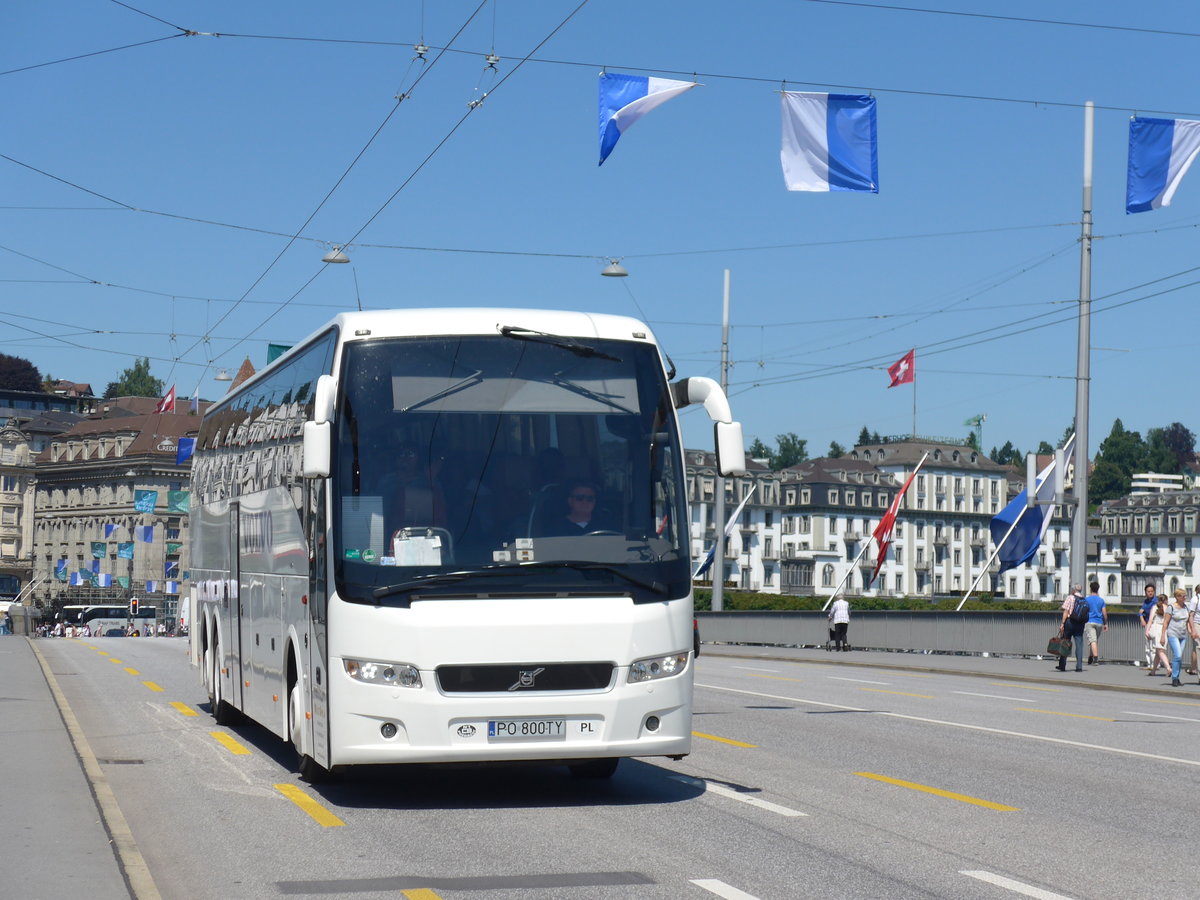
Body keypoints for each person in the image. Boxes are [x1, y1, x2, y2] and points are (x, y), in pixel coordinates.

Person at [539, 479, 613, 536]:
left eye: (589, 498)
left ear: (594, 502)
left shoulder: (606, 526)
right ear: (570, 501)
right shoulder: (555, 528)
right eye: (579, 498)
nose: (585, 502)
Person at [1161, 589, 1190, 687]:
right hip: (1173, 634)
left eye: (1185, 596)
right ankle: (1174, 678)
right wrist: (1162, 636)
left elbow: (1188, 622)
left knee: (1179, 657)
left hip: (1183, 635)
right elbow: (1165, 622)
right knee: (1177, 655)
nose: (1184, 597)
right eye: (1182, 596)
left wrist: (1192, 632)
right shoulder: (1171, 607)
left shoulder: (1186, 607)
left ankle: (1177, 678)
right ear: (1177, 597)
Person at [1056, 587, 1085, 672]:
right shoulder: (1084, 599)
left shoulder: (1070, 597)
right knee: (1079, 644)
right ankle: (1079, 666)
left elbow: (1066, 611)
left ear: (1074, 590)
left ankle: (1062, 665)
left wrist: (1062, 623)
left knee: (1065, 642)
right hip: (1080, 624)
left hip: (1069, 622)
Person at [1145, 596, 1171, 676]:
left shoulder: (1155, 607)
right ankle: (1153, 671)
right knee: (1158, 652)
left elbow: (1150, 620)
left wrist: (1147, 630)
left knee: (1160, 651)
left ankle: (1168, 668)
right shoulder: (1168, 608)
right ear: (1166, 600)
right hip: (1165, 629)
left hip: (1157, 629)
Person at [1083, 580, 1107, 665]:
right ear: (1098, 589)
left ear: (1090, 589)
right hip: (1099, 622)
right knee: (1094, 640)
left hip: (1089, 621)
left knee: (1092, 640)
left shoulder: (1087, 599)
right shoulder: (1101, 600)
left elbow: (1084, 611)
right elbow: (1104, 613)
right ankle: (1090, 657)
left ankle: (1095, 659)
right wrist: (1106, 623)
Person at [1140, 584, 1159, 670]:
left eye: (1152, 591)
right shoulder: (1145, 602)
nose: (1150, 593)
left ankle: (1155, 664)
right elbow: (1141, 612)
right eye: (1148, 591)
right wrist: (1142, 618)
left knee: (1154, 645)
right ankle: (1149, 663)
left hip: (1155, 624)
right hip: (1147, 624)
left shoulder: (1156, 602)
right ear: (1145, 593)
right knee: (1147, 645)